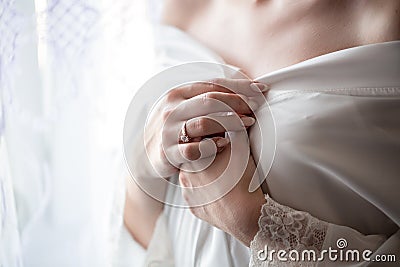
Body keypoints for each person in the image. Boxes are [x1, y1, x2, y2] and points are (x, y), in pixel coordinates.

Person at [118, 0, 400, 266]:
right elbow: (146, 239)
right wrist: (146, 165)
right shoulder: (183, 8)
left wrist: (257, 225)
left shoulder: (387, 22)